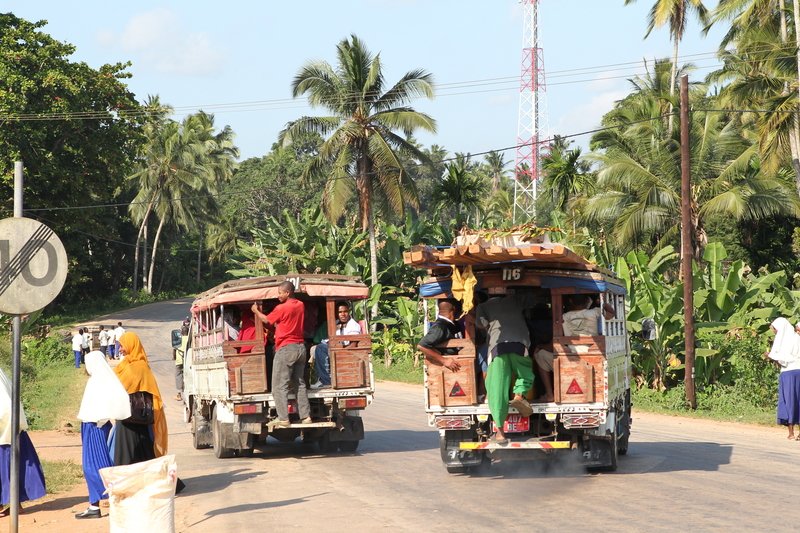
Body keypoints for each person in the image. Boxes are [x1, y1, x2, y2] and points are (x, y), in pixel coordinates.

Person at [75, 351, 131, 519]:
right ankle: (96, 504)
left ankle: (105, 502)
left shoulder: (98, 381)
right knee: (99, 466)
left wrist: (101, 419)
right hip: (95, 426)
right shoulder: (103, 378)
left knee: (94, 468)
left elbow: (106, 404)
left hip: (95, 427)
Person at [475, 291, 536, 445]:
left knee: (496, 387)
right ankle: (519, 395)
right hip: (519, 344)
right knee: (525, 373)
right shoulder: (515, 299)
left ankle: (500, 433)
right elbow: (533, 301)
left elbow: (480, 325)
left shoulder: (483, 306)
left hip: (497, 348)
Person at [251, 281, 312, 428]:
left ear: (287, 292)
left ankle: (283, 418)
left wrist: (256, 311)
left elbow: (266, 320)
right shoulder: (300, 305)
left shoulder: (281, 308)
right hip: (300, 348)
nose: (278, 296)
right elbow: (286, 323)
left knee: (279, 386)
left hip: (286, 349)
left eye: (280, 293)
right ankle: (306, 416)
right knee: (300, 383)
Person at [534, 295, 614, 402]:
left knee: (540, 354)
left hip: (570, 357)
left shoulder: (563, 317)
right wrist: (603, 303)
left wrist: (540, 346)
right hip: (592, 355)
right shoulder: (594, 312)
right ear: (588, 301)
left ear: (570, 301)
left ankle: (549, 394)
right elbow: (611, 315)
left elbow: (555, 343)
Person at [112, 331, 167, 465]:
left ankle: (127, 481)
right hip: (132, 416)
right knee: (143, 453)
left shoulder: (138, 367)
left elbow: (122, 386)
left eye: (122, 346)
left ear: (131, 345)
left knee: (129, 454)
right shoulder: (127, 364)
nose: (120, 349)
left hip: (131, 417)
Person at [0, 368, 46, 515]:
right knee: (10, 469)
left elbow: (5, 408)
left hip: (5, 432)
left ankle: (10, 504)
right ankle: (13, 503)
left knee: (8, 468)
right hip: (10, 431)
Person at [311, 301, 363, 389]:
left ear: (349, 312)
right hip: (336, 348)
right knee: (317, 348)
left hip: (346, 351)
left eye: (345, 311)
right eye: (340, 312)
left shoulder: (353, 325)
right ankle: (322, 378)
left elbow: (353, 345)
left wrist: (341, 352)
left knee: (320, 349)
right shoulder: (337, 323)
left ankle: (326, 381)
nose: (343, 314)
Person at [765, 317, 800, 439]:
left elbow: (783, 362)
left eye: (775, 330)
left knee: (788, 401)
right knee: (798, 400)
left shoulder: (784, 341)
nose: (774, 332)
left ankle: (791, 433)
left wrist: (770, 357)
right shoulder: (797, 337)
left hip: (788, 373)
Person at [417, 299, 464, 372]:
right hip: (449, 370)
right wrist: (444, 360)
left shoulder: (453, 324)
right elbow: (422, 346)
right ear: (454, 308)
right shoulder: (440, 327)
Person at [174, 322, 189, 401]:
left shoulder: (178, 339)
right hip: (188, 360)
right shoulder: (190, 339)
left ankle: (179, 394)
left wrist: (175, 358)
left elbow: (174, 349)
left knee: (178, 375)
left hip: (179, 361)